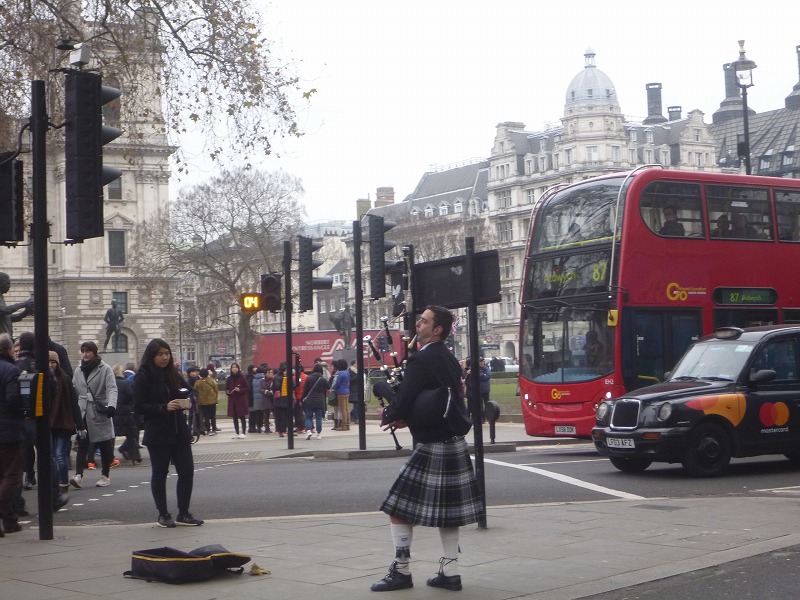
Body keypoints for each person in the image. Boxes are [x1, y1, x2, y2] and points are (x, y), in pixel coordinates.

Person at [371, 306, 482, 592]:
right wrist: (407, 414)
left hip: (431, 444)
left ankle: (402, 571)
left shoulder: (422, 358)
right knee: (449, 513)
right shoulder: (448, 358)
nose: (418, 323)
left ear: (437, 330)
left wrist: (390, 410)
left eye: (424, 320)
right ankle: (450, 571)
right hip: (453, 441)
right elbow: (435, 398)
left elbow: (406, 396)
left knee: (397, 509)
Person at [132, 338, 203, 528]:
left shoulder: (173, 374)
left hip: (179, 431)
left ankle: (184, 512)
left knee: (187, 472)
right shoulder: (143, 376)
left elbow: (190, 392)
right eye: (160, 354)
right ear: (152, 356)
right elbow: (138, 406)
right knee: (160, 474)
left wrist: (188, 399)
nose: (164, 358)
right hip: (158, 433)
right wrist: (163, 407)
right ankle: (163, 514)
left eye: (166, 353)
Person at [70, 341, 118, 489]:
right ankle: (78, 476)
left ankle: (105, 475)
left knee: (104, 444)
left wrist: (111, 405)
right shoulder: (78, 370)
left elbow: (112, 389)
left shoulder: (105, 369)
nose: (85, 354)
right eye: (83, 351)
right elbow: (74, 390)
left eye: (88, 351)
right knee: (82, 442)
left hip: (100, 410)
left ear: (94, 352)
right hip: (83, 410)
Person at [49, 351, 83, 495]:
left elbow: (74, 403)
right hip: (49, 424)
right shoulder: (42, 379)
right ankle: (56, 483)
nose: (51, 365)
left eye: (53, 362)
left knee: (59, 455)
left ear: (58, 363)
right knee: (52, 456)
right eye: (48, 362)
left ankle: (63, 483)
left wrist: (80, 425)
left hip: (63, 422)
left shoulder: (65, 379)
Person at [0, 333, 24, 536]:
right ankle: (5, 517)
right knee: (12, 476)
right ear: (8, 349)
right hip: (7, 429)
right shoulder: (11, 370)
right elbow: (13, 399)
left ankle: (9, 521)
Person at [112, 364, 141, 464]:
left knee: (111, 437)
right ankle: (135, 456)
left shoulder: (110, 383)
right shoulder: (125, 383)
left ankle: (109, 457)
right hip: (125, 413)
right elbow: (131, 396)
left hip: (113, 413)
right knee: (131, 435)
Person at [0, 272, 33, 338]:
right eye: (7, 283)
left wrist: (25, 312)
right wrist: (24, 304)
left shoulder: (1, 297)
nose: (9, 286)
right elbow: (4, 310)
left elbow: (9, 318)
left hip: (6, 340)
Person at [301, 364, 329, 440]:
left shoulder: (309, 378)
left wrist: (302, 399)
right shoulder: (322, 379)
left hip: (309, 400)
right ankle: (319, 434)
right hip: (319, 401)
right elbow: (328, 387)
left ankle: (309, 431)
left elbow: (305, 390)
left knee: (308, 417)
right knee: (318, 418)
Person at [225, 363, 249, 439]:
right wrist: (228, 392)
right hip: (232, 400)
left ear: (238, 368)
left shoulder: (242, 377)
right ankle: (237, 432)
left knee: (242, 416)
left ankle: (243, 432)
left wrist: (240, 390)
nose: (234, 369)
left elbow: (247, 388)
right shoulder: (229, 378)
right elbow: (226, 388)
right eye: (232, 367)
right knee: (234, 417)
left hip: (240, 399)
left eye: (235, 367)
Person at [194, 368, 218, 435]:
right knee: (213, 416)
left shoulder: (198, 382)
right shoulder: (211, 381)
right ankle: (214, 429)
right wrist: (215, 398)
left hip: (202, 402)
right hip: (212, 401)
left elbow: (194, 391)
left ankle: (208, 430)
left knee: (206, 416)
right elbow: (216, 390)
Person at [331, 358, 350, 431]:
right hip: (347, 391)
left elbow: (337, 384)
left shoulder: (340, 373)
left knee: (342, 410)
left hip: (341, 392)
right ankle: (347, 424)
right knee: (346, 409)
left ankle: (343, 425)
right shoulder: (347, 372)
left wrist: (334, 388)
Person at [248, 366, 265, 433]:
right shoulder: (263, 379)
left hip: (253, 399)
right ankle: (259, 426)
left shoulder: (254, 379)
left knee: (253, 413)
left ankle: (253, 427)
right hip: (262, 398)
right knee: (260, 414)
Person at [259, 367, 275, 434]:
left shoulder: (274, 380)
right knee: (266, 415)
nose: (271, 374)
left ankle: (278, 428)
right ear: (265, 374)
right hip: (266, 399)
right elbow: (261, 389)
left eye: (271, 372)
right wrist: (266, 392)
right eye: (269, 372)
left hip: (274, 399)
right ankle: (267, 428)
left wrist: (273, 391)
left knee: (276, 414)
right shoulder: (262, 380)